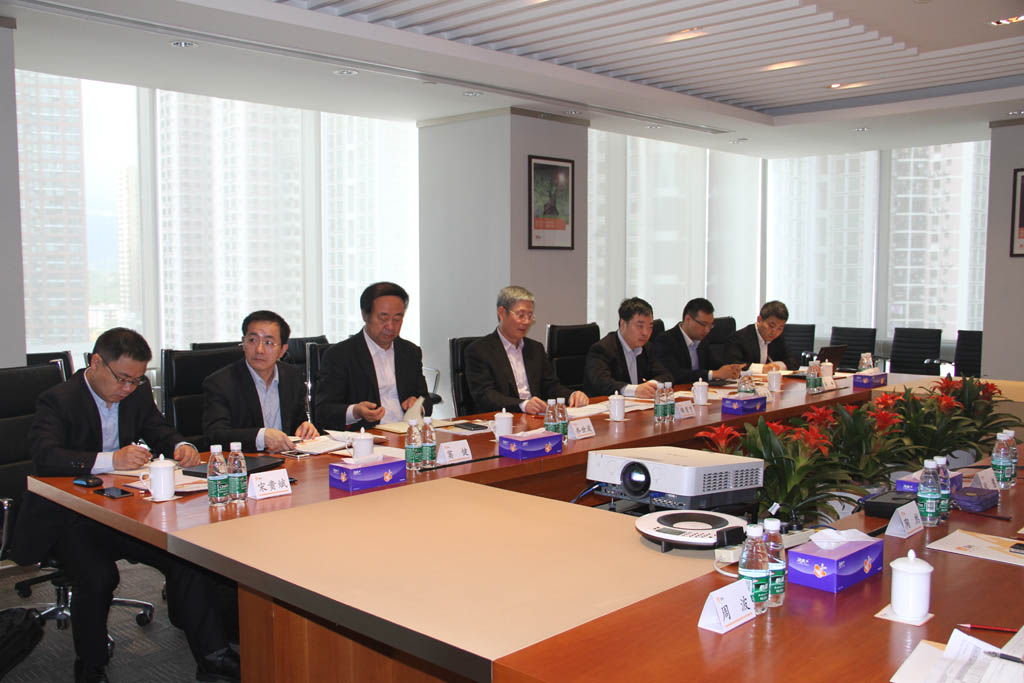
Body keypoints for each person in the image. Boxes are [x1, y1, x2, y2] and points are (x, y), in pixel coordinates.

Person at [13, 328, 239, 683]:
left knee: (185, 557)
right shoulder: (58, 399)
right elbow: (46, 456)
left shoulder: (136, 393)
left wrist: (180, 445)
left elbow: (157, 428)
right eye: (122, 379)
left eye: (136, 380)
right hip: (71, 517)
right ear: (96, 362)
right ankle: (91, 666)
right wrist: (110, 460)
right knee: (98, 576)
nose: (128, 388)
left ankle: (213, 656)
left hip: (125, 511)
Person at [314, 282, 431, 430]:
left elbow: (425, 399)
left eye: (397, 319)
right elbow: (323, 411)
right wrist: (355, 411)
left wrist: (418, 406)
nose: (390, 326)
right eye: (383, 318)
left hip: (408, 433)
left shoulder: (410, 352)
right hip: (367, 436)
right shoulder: (339, 355)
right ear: (365, 315)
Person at [202, 310, 319, 452]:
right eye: (252, 340)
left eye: (268, 342)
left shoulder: (292, 376)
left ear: (282, 350)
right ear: (243, 343)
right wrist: (261, 437)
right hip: (247, 461)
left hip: (286, 459)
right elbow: (215, 435)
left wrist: (305, 427)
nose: (259, 349)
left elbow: (296, 423)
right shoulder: (220, 383)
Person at [465, 286, 589, 414]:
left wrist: (571, 395)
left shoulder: (536, 349)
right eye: (521, 315)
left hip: (535, 418)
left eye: (530, 316)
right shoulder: (479, 351)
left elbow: (550, 386)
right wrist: (523, 405)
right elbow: (485, 396)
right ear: (502, 313)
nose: (526, 321)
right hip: (502, 418)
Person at [584, 297, 672, 398]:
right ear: (623, 324)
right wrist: (635, 390)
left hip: (639, 405)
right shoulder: (602, 349)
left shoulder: (647, 347)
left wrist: (651, 385)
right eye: (640, 326)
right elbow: (602, 383)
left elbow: (666, 375)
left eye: (650, 327)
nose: (646, 333)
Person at [652, 297, 744, 384]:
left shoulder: (702, 339)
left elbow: (713, 364)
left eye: (710, 325)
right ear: (688, 319)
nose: (707, 330)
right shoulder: (665, 340)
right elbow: (673, 373)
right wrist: (713, 374)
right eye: (703, 324)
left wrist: (730, 369)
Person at [724, 300, 799, 371]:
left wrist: (778, 365)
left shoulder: (778, 338)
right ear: (759, 320)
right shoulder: (739, 338)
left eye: (780, 328)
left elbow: (794, 361)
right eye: (771, 326)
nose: (775, 332)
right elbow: (733, 364)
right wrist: (762, 368)